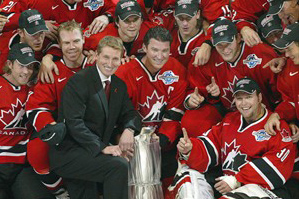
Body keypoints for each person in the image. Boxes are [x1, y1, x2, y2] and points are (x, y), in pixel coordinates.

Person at [49, 36, 142, 199]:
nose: (110, 63)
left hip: (92, 155)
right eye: (106, 57)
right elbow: (74, 123)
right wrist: (101, 147)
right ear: (97, 56)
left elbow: (130, 113)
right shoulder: (79, 81)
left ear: (121, 60)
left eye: (115, 59)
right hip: (70, 153)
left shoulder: (118, 85)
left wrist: (129, 129)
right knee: (118, 166)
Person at [177, 78, 297, 199]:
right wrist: (190, 148)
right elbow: (211, 145)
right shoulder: (230, 120)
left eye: (248, 97)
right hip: (227, 183)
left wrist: (237, 180)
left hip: (267, 188)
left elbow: (277, 167)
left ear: (260, 98)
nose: (243, 103)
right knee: (187, 178)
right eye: (239, 98)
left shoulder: (275, 125)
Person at [25, 20, 93, 199]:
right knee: (37, 149)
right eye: (66, 43)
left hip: (96, 130)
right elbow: (36, 107)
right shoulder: (53, 70)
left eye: (76, 41)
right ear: (59, 45)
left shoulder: (98, 64)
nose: (72, 47)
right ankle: (61, 192)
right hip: (65, 130)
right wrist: (53, 127)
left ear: (83, 40)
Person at [116, 26, 188, 191]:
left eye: (165, 51)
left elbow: (174, 113)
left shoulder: (176, 69)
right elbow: (120, 113)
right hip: (131, 139)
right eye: (155, 50)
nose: (160, 56)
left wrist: (161, 140)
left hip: (162, 141)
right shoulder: (125, 72)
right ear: (144, 48)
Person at [181, 18, 280, 137]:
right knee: (192, 123)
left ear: (238, 38)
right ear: (212, 42)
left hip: (262, 113)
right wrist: (195, 99)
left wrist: (280, 114)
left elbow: (280, 92)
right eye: (219, 45)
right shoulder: (208, 58)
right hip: (228, 114)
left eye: (228, 43)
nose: (225, 49)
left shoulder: (260, 53)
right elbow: (192, 88)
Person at [0, 43, 39, 198]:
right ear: (9, 64)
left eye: (30, 66)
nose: (26, 71)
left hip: (23, 166)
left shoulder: (34, 88)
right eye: (21, 65)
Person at [265, 23, 299, 142]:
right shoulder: (289, 67)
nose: (287, 55)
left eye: (289, 49)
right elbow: (291, 101)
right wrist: (278, 115)